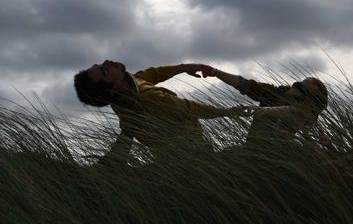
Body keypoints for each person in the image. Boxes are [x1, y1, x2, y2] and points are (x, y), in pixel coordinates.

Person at [74, 60, 248, 163]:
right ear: (113, 89)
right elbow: (189, 108)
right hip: (189, 155)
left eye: (99, 65)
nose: (107, 62)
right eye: (105, 71)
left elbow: (153, 74)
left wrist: (185, 67)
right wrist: (227, 111)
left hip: (168, 157)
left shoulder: (125, 86)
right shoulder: (147, 98)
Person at [198, 66, 329, 148]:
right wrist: (216, 72)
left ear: (316, 95)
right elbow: (245, 85)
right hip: (253, 149)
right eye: (309, 78)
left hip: (283, 155)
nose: (311, 79)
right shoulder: (274, 93)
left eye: (316, 83)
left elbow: (291, 112)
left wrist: (262, 111)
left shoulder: (309, 109)